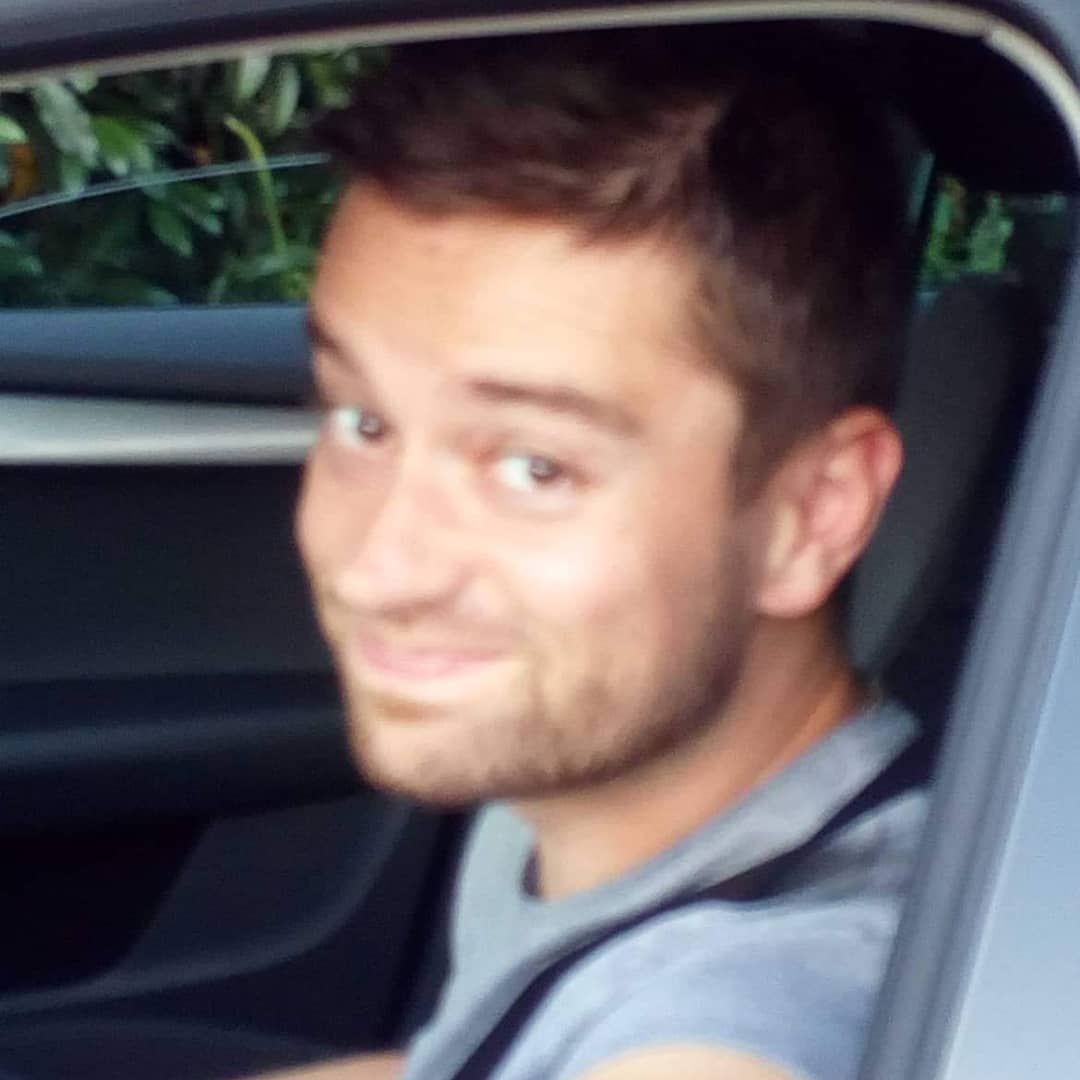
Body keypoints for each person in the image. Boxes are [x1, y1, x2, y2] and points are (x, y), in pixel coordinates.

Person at [268, 26, 925, 1080]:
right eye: (362, 422)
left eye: (535, 468)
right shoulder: (601, 794)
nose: (377, 569)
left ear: (815, 513)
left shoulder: (776, 1004)